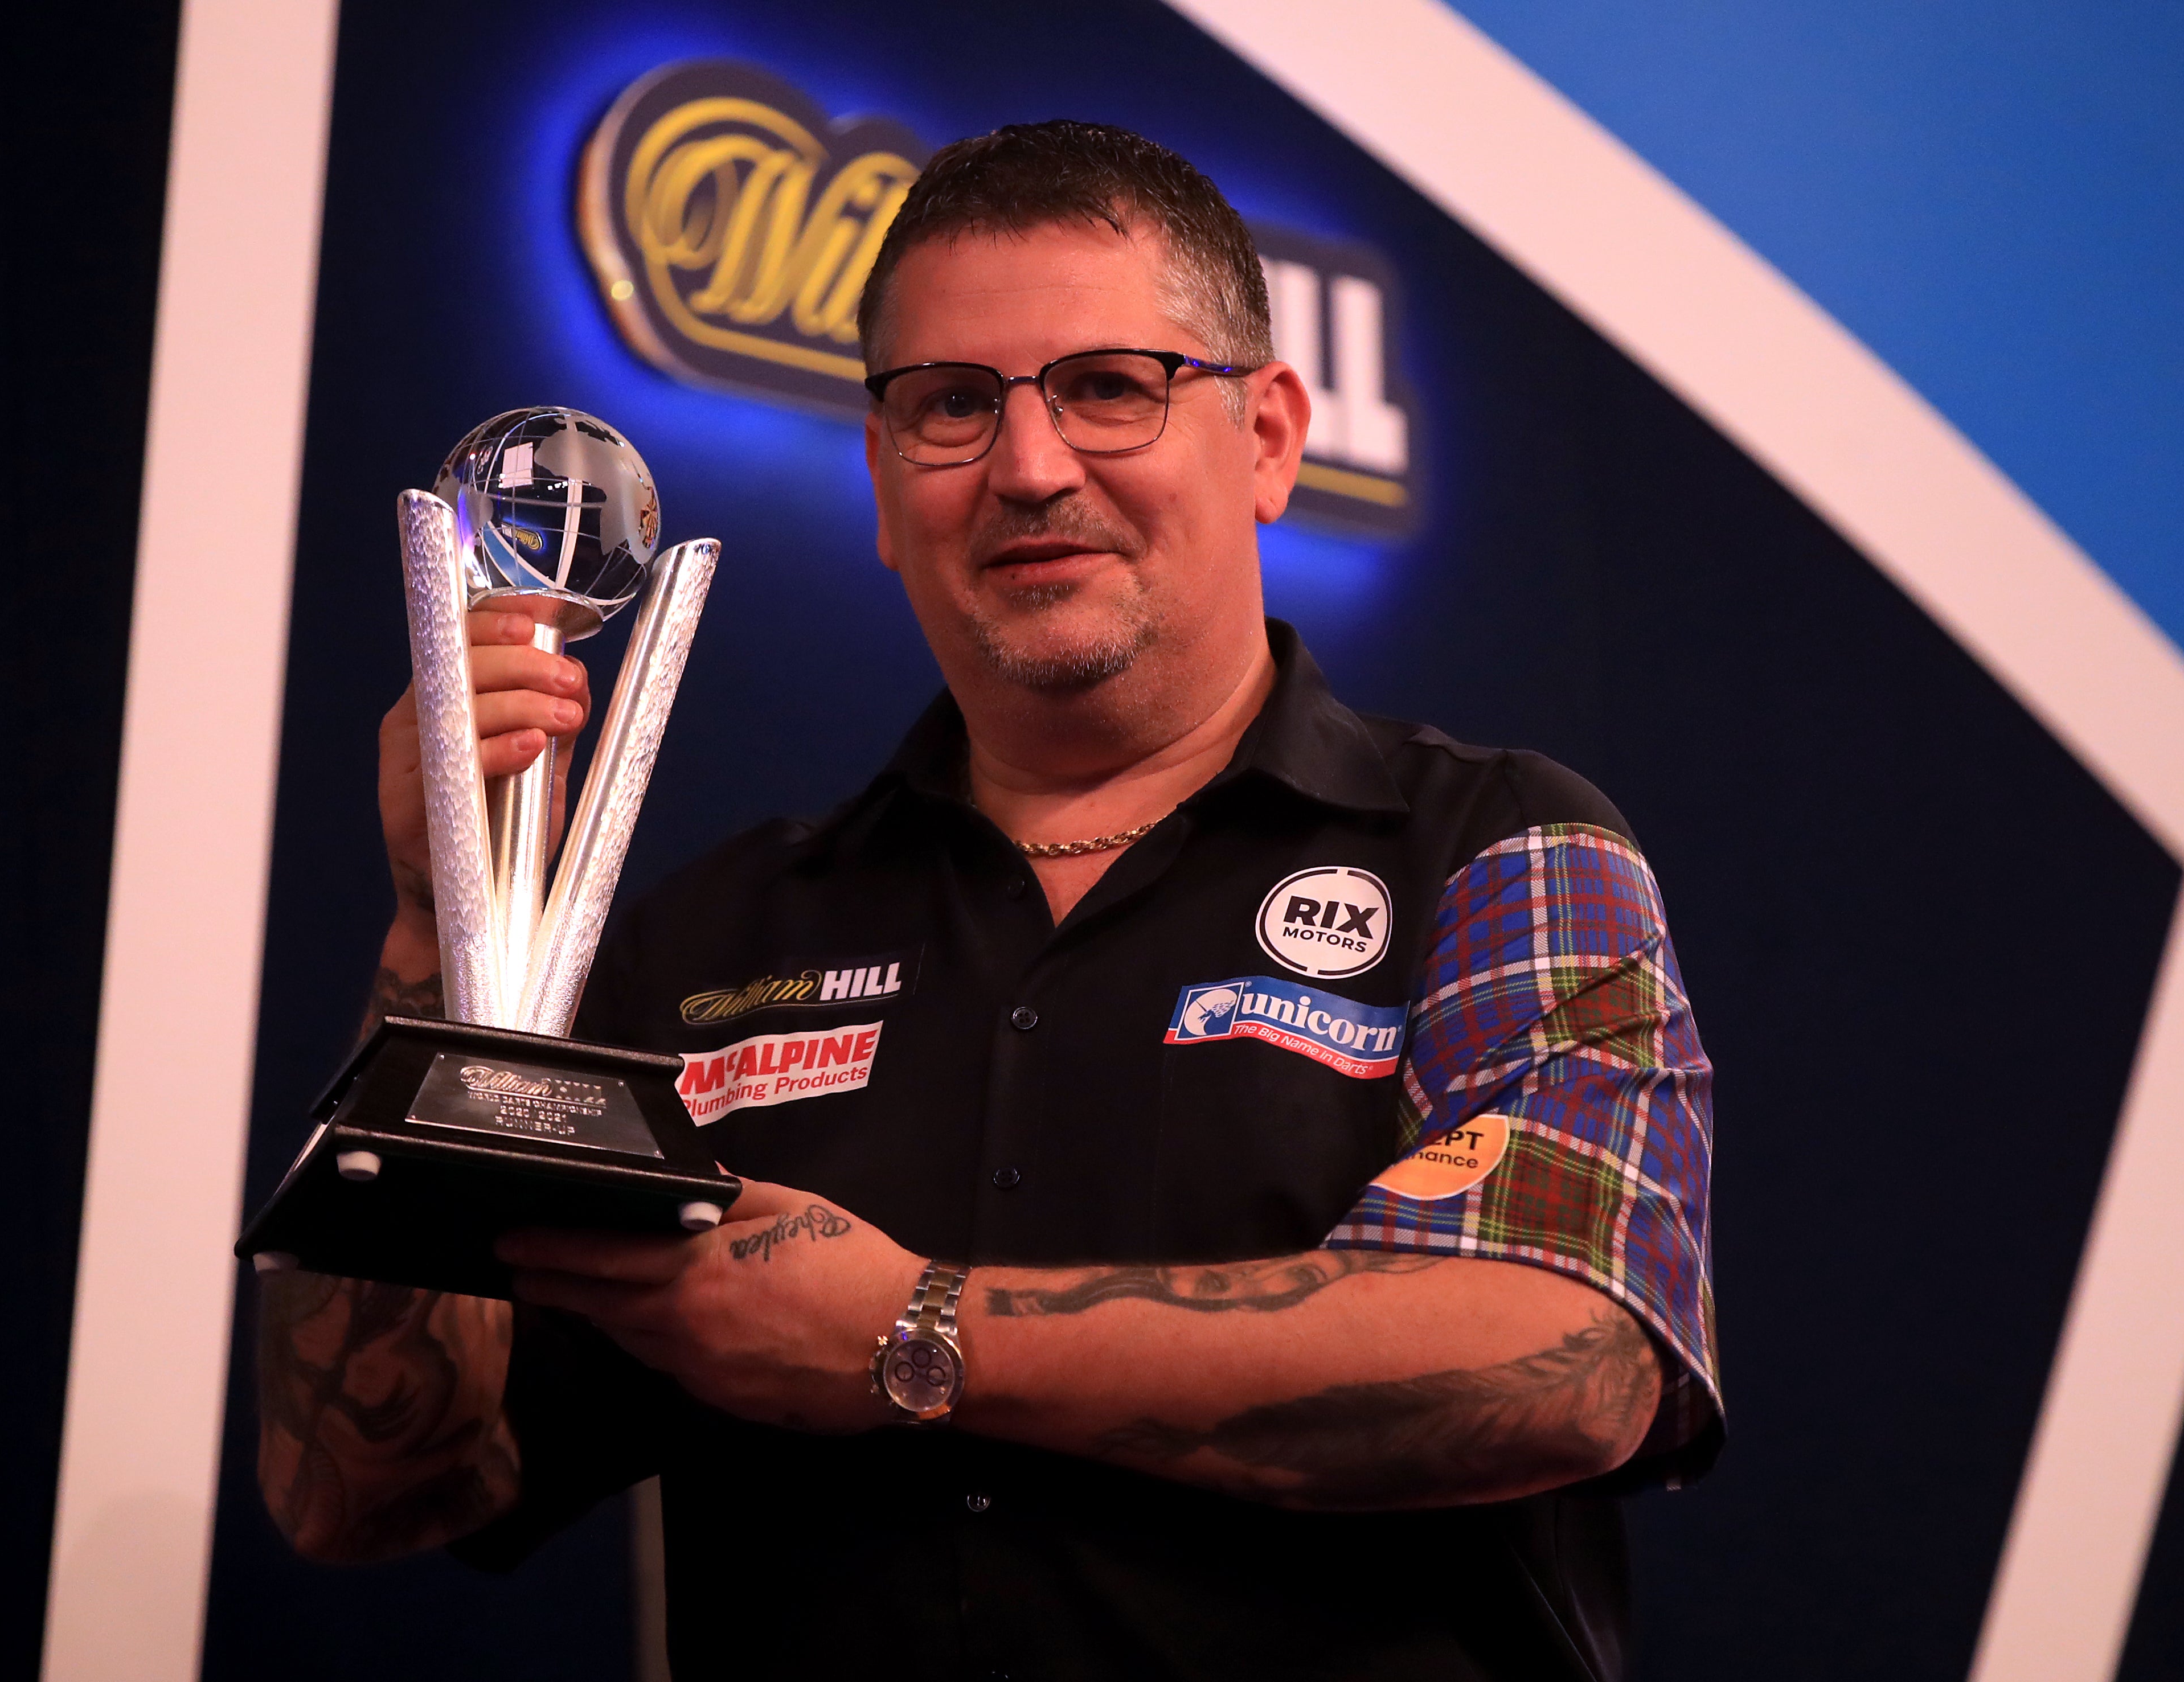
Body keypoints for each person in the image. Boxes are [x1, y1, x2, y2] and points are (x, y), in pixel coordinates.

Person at [257, 121, 1720, 1681]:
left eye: (1111, 385)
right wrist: (438, 926)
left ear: (1272, 437)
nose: (1030, 468)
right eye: (952, 406)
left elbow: (1570, 1356)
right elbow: (373, 1479)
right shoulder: (708, 945)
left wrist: (912, 1332)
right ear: (886, 484)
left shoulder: (1495, 851)